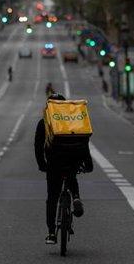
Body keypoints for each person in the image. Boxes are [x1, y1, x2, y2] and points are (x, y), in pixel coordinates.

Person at [34, 94, 94, 244]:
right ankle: (76, 197)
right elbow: (84, 141)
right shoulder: (73, 121)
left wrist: (42, 164)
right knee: (72, 176)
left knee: (52, 198)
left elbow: (38, 146)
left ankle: (52, 233)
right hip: (74, 159)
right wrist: (88, 163)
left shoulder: (44, 123)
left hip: (54, 163)